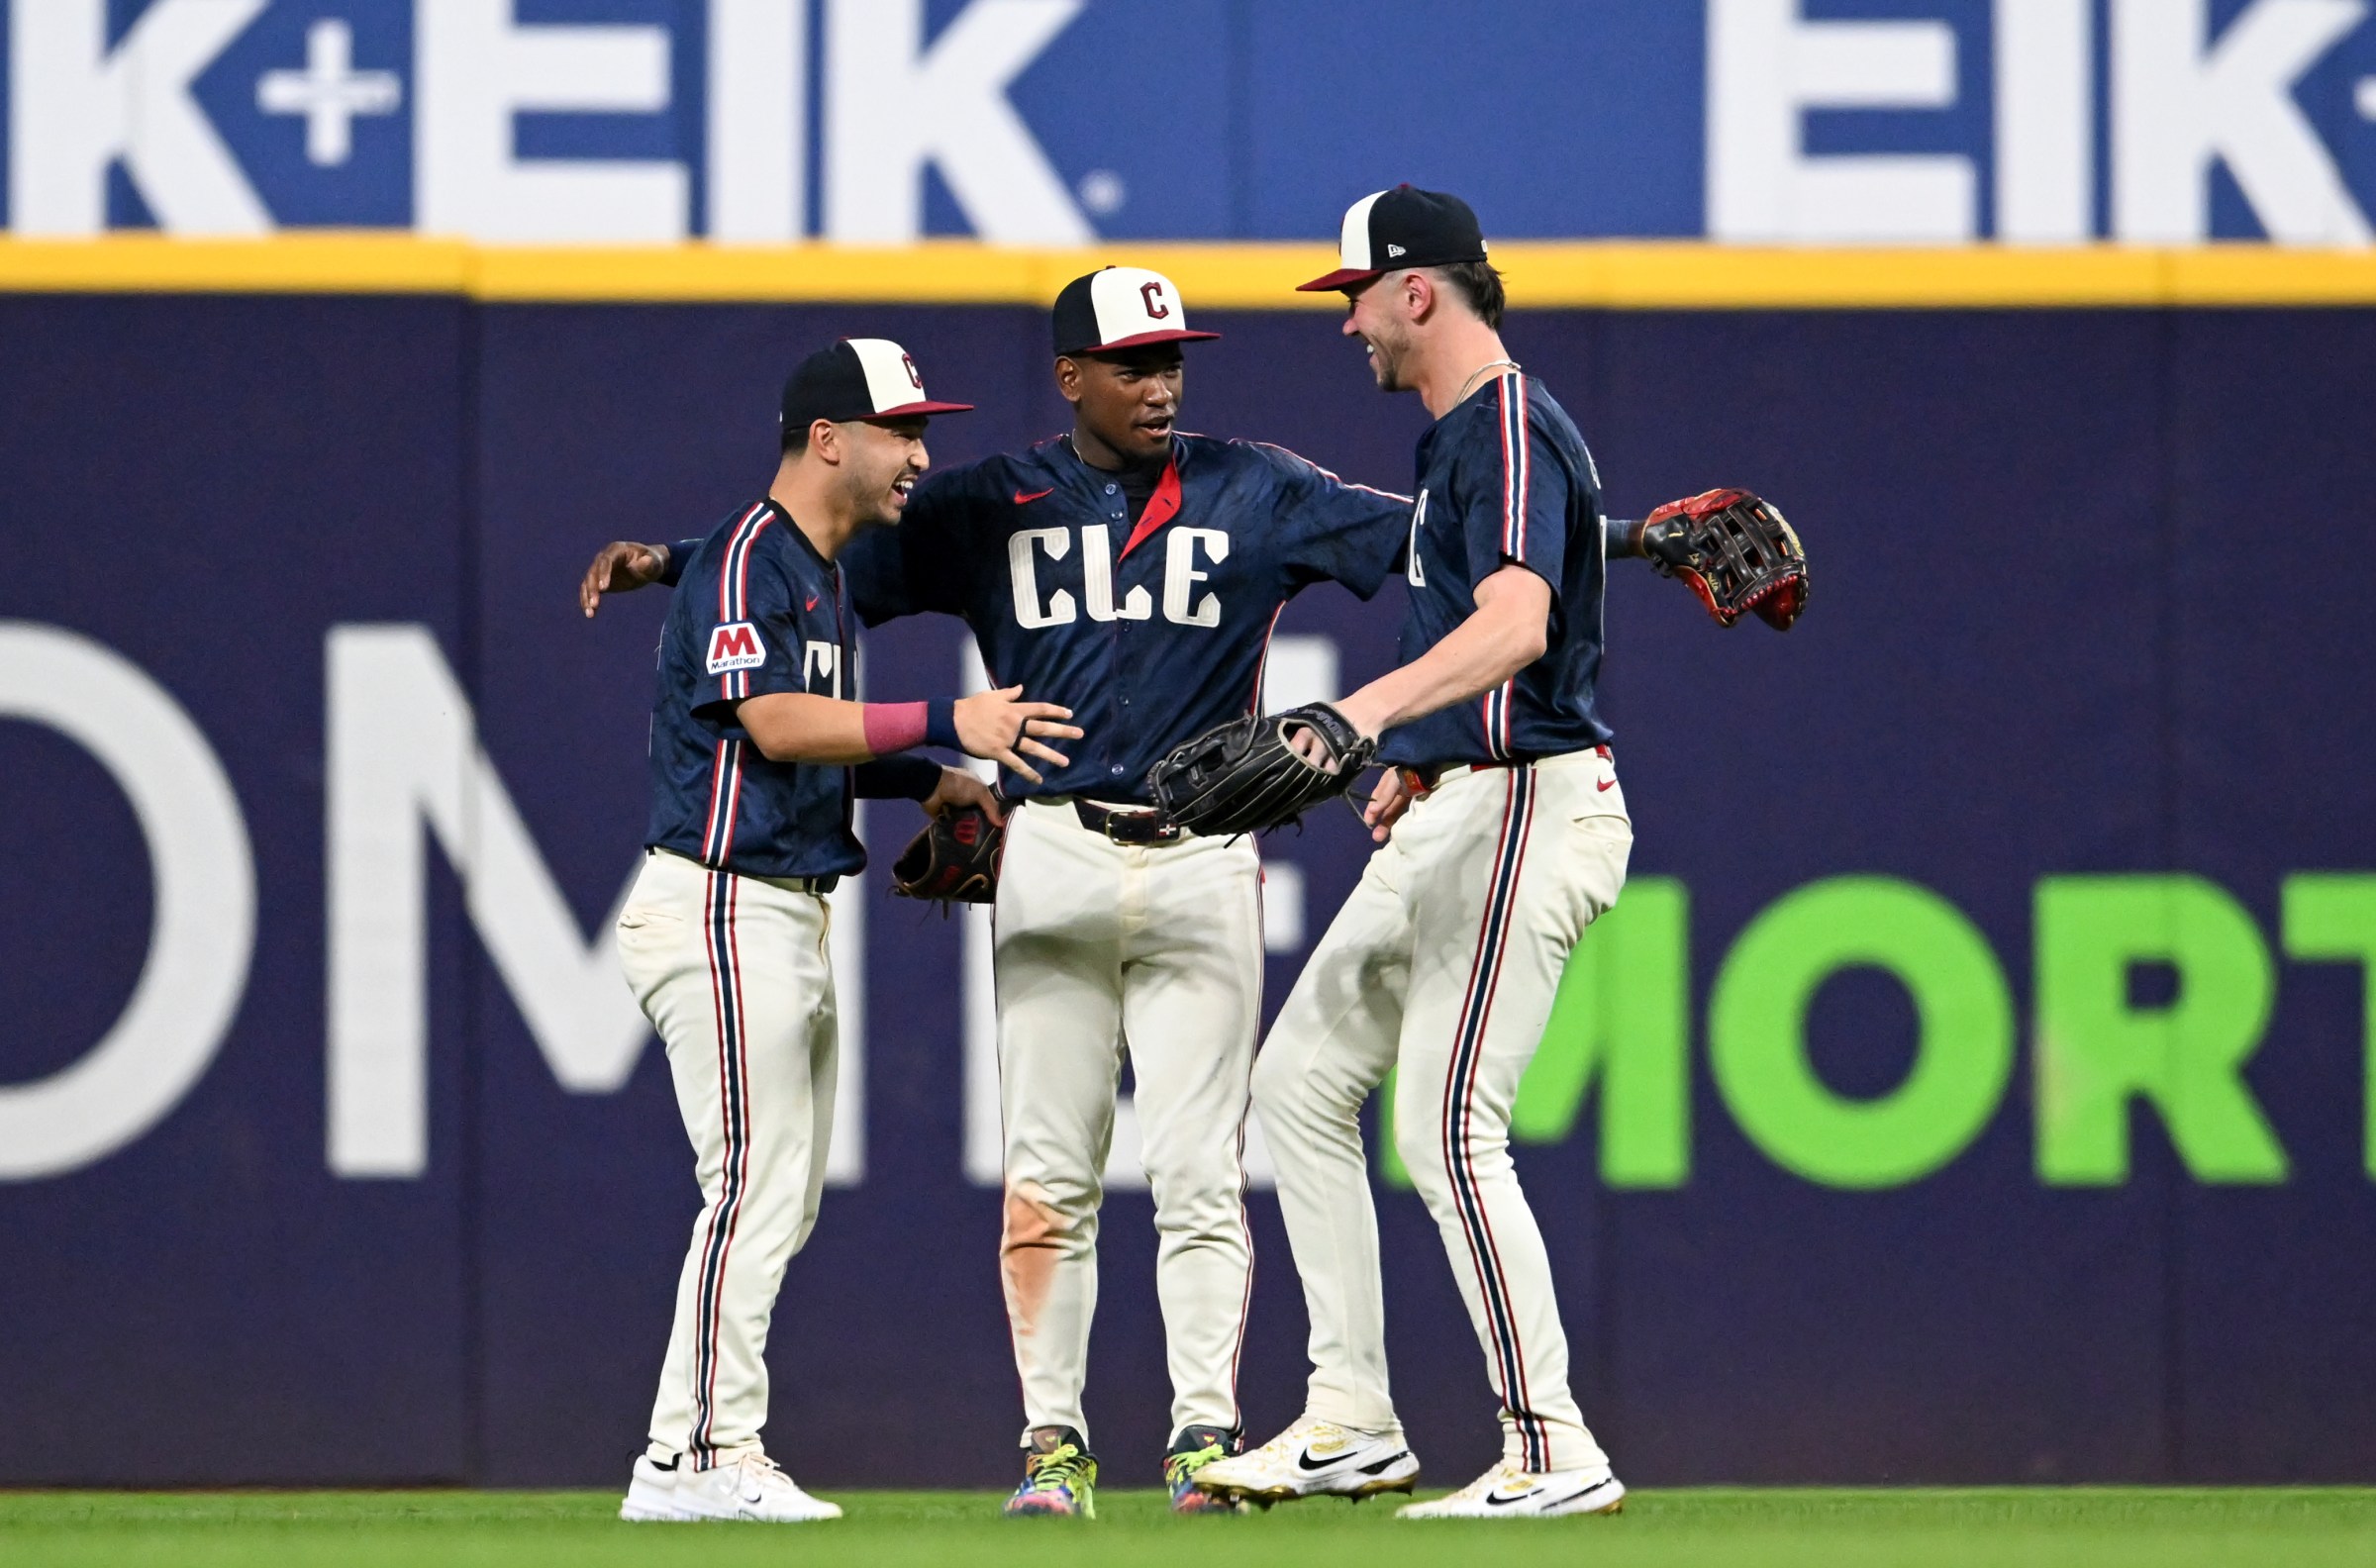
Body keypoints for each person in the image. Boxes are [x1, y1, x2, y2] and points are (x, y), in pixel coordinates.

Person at [1194, 186, 1635, 1519]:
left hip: (1528, 807)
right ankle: (1350, 1419)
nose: (1350, 328)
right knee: (1301, 1081)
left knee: (1448, 1128)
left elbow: (1513, 622)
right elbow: (1494, 626)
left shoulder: (1498, 420)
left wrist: (1365, 714)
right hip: (1468, 794)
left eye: (1357, 298)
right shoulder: (1471, 438)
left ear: (1420, 291)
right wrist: (1420, 754)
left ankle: (1551, 1445)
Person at [608, 339, 1078, 1523]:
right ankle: (704, 1455)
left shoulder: (818, 569)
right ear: (830, 439)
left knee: (776, 1197)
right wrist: (948, 718)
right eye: (900, 431)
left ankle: (688, 1449)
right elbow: (767, 723)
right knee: (752, 1186)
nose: (921, 454)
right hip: (720, 902)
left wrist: (925, 776)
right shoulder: (752, 557)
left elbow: (790, 740)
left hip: (782, 909)